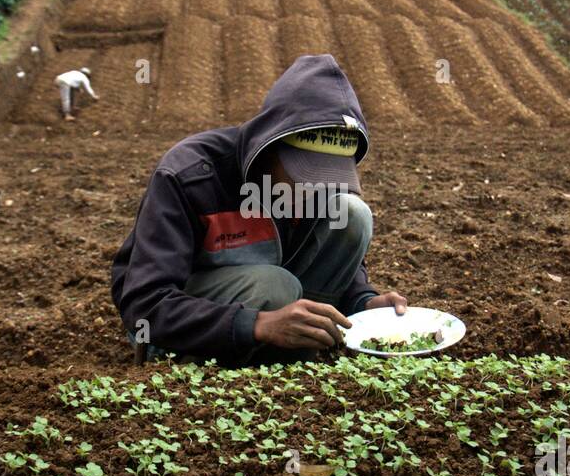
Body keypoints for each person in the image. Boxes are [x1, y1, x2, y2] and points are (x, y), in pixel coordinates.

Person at [111, 54, 407, 364]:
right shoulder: (191, 175)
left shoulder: (312, 189)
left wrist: (362, 302)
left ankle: (309, 337)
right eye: (305, 173)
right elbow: (143, 303)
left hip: (269, 297)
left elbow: (334, 259)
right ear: (271, 144)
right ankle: (236, 349)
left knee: (351, 214)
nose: (314, 190)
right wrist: (256, 324)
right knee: (276, 287)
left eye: (327, 176)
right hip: (181, 321)